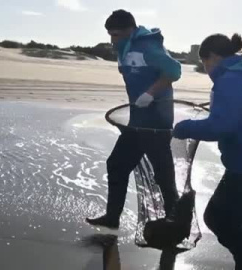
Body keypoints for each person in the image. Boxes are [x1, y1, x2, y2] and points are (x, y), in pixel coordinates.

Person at [173, 34, 242, 270]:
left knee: (239, 223)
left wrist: (185, 128)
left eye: (205, 63)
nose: (206, 69)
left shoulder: (231, 81)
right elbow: (238, 115)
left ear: (213, 57)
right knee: (217, 217)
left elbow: (221, 126)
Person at [87, 10, 181, 229]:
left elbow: (174, 71)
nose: (112, 39)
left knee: (163, 174)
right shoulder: (123, 48)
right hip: (137, 123)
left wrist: (150, 93)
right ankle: (112, 217)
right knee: (117, 165)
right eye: (110, 34)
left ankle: (175, 223)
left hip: (157, 123)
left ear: (130, 30)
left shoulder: (148, 46)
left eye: (116, 34)